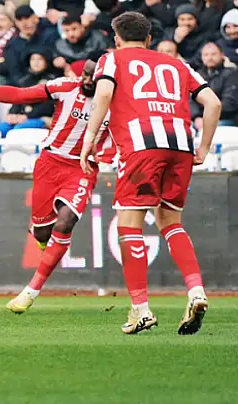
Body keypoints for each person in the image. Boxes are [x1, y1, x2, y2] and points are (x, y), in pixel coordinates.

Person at [80, 12, 222, 335]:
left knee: (129, 225)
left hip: (141, 144)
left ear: (116, 38)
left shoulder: (111, 59)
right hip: (181, 145)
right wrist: (203, 148)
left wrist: (89, 140)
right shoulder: (176, 63)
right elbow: (213, 103)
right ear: (148, 39)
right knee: (170, 222)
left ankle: (141, 309)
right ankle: (196, 291)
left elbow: (104, 94)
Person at [0, 60, 115, 313]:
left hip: (81, 168)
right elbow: (19, 95)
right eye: (84, 75)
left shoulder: (117, 104)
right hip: (50, 163)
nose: (87, 80)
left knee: (65, 222)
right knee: (43, 233)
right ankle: (45, 241)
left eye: (92, 77)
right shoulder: (65, 87)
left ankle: (30, 291)